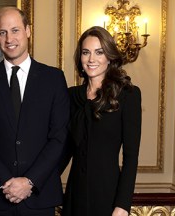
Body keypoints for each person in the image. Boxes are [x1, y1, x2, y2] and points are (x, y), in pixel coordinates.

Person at [0, 7, 70, 216]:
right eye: (3, 32)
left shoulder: (54, 79)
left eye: (15, 30)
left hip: (40, 198)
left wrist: (30, 182)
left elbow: (59, 137)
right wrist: (6, 183)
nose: (9, 38)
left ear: (28, 31)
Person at [61, 26, 142, 216]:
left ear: (109, 57)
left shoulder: (128, 94)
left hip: (108, 196)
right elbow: (64, 150)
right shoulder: (71, 96)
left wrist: (122, 205)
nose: (91, 59)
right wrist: (34, 182)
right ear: (79, 58)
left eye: (99, 52)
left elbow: (131, 158)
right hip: (75, 195)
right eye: (86, 52)